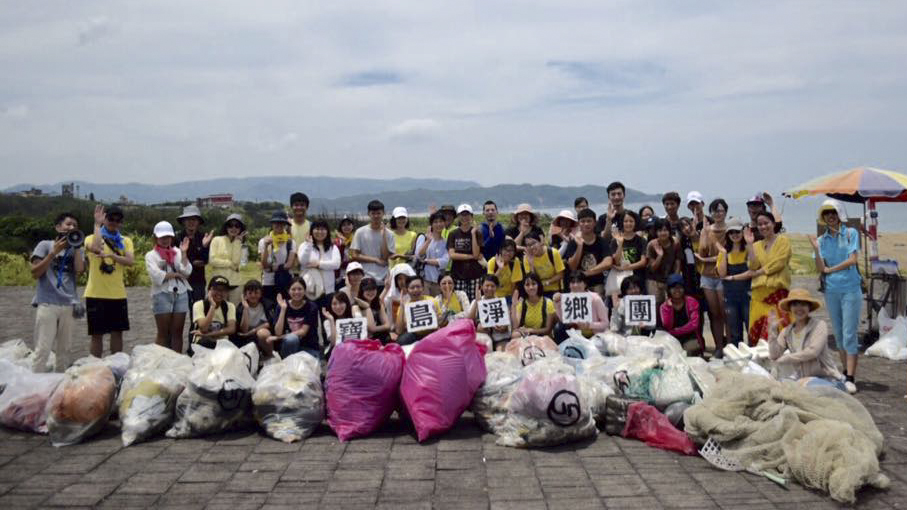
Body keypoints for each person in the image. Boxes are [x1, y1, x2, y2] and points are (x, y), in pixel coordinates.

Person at [809, 199, 862, 393]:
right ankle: (844, 372)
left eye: (833, 212)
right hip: (832, 290)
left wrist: (831, 269)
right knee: (839, 334)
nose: (830, 216)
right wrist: (816, 249)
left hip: (850, 288)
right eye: (827, 213)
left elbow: (853, 259)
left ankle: (850, 377)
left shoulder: (850, 233)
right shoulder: (822, 240)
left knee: (849, 333)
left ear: (840, 214)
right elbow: (820, 268)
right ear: (823, 217)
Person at [30, 212, 85, 372]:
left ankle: (58, 386)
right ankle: (35, 386)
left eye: (75, 225)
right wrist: (53, 253)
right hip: (47, 303)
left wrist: (75, 247)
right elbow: (35, 272)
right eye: (68, 224)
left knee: (64, 350)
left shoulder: (77, 249)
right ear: (58, 227)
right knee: (43, 348)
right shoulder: (45, 245)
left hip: (69, 304)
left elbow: (80, 270)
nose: (72, 227)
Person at [768, 288, 847, 392]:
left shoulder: (819, 325)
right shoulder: (787, 331)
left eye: (803, 304)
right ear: (790, 308)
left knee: (805, 389)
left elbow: (812, 352)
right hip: (803, 379)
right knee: (777, 387)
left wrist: (787, 358)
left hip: (826, 378)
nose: (799, 308)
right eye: (795, 305)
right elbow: (774, 355)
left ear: (809, 307)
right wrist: (772, 332)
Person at [84, 205, 134, 357]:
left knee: (117, 333)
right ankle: (95, 366)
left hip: (117, 294)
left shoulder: (125, 241)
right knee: (97, 334)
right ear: (105, 219)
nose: (114, 222)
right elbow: (96, 247)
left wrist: (113, 257)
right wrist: (97, 225)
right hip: (96, 294)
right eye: (110, 219)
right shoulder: (91, 237)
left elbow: (130, 261)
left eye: (118, 220)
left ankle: (116, 365)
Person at [145, 221, 192, 353]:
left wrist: (184, 254)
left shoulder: (177, 251)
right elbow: (155, 275)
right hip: (161, 293)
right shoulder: (151, 255)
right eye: (162, 237)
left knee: (178, 332)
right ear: (155, 237)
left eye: (168, 237)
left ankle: (176, 361)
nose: (165, 240)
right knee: (163, 333)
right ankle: (159, 360)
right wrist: (175, 274)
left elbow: (187, 271)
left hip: (181, 293)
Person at [746, 211, 792, 345]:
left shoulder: (783, 241)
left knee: (779, 333)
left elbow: (779, 262)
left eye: (766, 223)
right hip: (759, 296)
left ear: (773, 224)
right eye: (760, 224)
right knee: (757, 334)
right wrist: (749, 244)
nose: (763, 226)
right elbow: (752, 265)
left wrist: (761, 272)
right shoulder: (756, 245)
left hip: (777, 295)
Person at [260, 276, 320, 359]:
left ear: (305, 291)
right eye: (293, 289)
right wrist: (283, 309)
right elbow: (278, 332)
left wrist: (277, 338)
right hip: (289, 347)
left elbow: (303, 332)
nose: (297, 292)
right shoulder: (281, 306)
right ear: (288, 291)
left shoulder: (311, 307)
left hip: (308, 347)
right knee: (291, 339)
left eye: (300, 289)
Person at [698, 199, 729, 356]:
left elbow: (727, 254)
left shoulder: (730, 230)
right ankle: (718, 347)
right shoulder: (707, 230)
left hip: (723, 276)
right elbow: (702, 252)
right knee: (714, 314)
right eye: (715, 211)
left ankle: (729, 346)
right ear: (711, 213)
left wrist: (707, 260)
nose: (718, 213)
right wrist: (704, 234)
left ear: (725, 212)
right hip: (707, 276)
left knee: (725, 313)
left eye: (721, 210)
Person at [718, 217, 752, 347]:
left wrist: (733, 277)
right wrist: (723, 254)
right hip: (731, 297)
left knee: (751, 329)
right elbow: (722, 274)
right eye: (731, 232)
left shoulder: (749, 250)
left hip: (747, 295)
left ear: (742, 232)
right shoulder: (725, 252)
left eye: (737, 232)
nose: (735, 235)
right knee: (734, 332)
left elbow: (752, 271)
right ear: (727, 235)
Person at [563, 208, 612, 296]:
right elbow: (572, 266)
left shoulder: (601, 241)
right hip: (577, 284)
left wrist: (587, 273)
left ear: (595, 223)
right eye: (583, 221)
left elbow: (608, 262)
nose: (586, 224)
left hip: (597, 283)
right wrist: (579, 246)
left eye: (589, 221)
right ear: (579, 224)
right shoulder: (573, 243)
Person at [607, 210, 648, 307]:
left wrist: (625, 268)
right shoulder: (615, 241)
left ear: (635, 223)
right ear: (622, 223)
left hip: (637, 282)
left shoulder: (641, 240)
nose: (628, 224)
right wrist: (620, 243)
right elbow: (616, 261)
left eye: (631, 221)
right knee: (619, 308)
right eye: (625, 221)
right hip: (619, 282)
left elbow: (643, 262)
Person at [553, 271, 609, 342]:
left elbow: (605, 323)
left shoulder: (595, 299)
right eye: (573, 282)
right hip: (575, 334)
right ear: (569, 285)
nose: (575, 285)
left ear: (585, 284)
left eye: (579, 282)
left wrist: (589, 325)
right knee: (558, 327)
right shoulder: (567, 298)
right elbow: (563, 320)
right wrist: (557, 303)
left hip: (594, 336)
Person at [350, 200, 395, 287]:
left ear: (383, 213)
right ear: (368, 214)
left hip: (384, 276)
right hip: (365, 276)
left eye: (378, 213)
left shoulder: (390, 234)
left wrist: (384, 235)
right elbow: (354, 254)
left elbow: (385, 257)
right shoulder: (360, 232)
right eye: (373, 213)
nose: (376, 216)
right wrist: (375, 259)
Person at [298, 219, 341, 309]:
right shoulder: (304, 245)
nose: (320, 232)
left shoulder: (332, 247)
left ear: (327, 231)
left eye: (323, 229)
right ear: (312, 231)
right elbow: (303, 261)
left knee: (326, 317)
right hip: (310, 290)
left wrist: (318, 264)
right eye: (317, 229)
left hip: (328, 291)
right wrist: (309, 244)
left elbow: (336, 264)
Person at [175, 205, 212, 308]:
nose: (191, 222)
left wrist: (204, 247)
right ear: (183, 221)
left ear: (198, 222)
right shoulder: (177, 238)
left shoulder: (203, 237)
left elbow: (205, 260)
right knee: (180, 309)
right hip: (181, 279)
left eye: (194, 219)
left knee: (198, 308)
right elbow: (176, 259)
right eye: (188, 219)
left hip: (198, 280)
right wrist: (192, 262)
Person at [447, 204, 485, 301]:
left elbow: (477, 254)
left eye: (467, 215)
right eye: (462, 215)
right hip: (458, 274)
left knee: (475, 301)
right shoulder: (453, 234)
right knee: (460, 302)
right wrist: (471, 256)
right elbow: (452, 255)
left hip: (475, 274)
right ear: (458, 217)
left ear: (472, 216)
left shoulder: (478, 233)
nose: (465, 218)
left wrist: (473, 234)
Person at [659, 274, 704, 355]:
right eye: (673, 288)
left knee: (690, 350)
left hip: (689, 336)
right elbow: (667, 325)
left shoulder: (692, 302)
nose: (677, 290)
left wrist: (676, 331)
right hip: (672, 338)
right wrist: (669, 308)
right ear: (669, 290)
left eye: (680, 287)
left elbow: (694, 324)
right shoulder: (664, 306)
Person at [259, 210, 297, 301]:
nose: (279, 225)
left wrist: (272, 268)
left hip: (285, 281)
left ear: (285, 225)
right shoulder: (263, 241)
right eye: (276, 223)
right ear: (272, 224)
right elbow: (264, 265)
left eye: (282, 223)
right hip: (268, 281)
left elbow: (289, 264)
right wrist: (266, 246)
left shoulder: (291, 242)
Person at [190, 276, 237, 349]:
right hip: (202, 343)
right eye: (216, 289)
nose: (219, 293)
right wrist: (212, 306)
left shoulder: (230, 306)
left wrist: (209, 334)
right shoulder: (198, 305)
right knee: (205, 343)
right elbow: (204, 328)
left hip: (222, 343)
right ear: (209, 290)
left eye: (223, 290)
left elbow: (231, 328)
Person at [209, 213, 247, 304]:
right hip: (219, 284)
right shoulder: (216, 240)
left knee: (235, 313)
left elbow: (241, 266)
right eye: (230, 225)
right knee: (218, 313)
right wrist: (230, 264)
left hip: (236, 285)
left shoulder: (244, 247)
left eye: (237, 226)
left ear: (241, 229)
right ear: (226, 227)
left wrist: (237, 243)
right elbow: (212, 261)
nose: (233, 228)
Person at [395, 275, 443, 345]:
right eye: (412, 287)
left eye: (418, 287)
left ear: (423, 288)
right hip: (413, 335)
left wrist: (437, 319)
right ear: (407, 290)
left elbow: (441, 322)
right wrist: (402, 306)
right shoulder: (404, 306)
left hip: (431, 332)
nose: (415, 290)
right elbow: (398, 331)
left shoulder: (432, 301)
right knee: (401, 340)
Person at [469, 274, 511, 350]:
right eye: (487, 286)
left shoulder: (501, 303)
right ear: (481, 287)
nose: (489, 288)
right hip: (483, 336)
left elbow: (506, 326)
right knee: (480, 327)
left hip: (499, 336)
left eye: (492, 286)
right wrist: (477, 302)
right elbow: (469, 320)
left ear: (496, 288)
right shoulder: (476, 301)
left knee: (500, 354)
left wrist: (503, 327)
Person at [231, 280, 276, 348]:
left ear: (261, 294)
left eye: (256, 293)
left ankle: (269, 355)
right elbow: (244, 330)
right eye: (250, 293)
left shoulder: (268, 305)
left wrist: (252, 331)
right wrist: (246, 308)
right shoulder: (240, 308)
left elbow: (269, 323)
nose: (253, 295)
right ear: (245, 294)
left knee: (263, 333)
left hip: (261, 334)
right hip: (245, 337)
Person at [510, 272, 556, 338]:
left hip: (542, 336)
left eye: (534, 284)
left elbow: (547, 329)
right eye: (527, 285)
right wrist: (514, 306)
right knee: (515, 335)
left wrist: (531, 330)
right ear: (524, 287)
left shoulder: (548, 303)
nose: (531, 287)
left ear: (538, 285)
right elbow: (515, 326)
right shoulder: (521, 303)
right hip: (526, 336)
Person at [645, 218, 680, 306]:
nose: (663, 233)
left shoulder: (675, 243)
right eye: (660, 230)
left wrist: (675, 280)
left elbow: (678, 263)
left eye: (665, 230)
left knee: (672, 305)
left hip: (670, 279)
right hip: (654, 280)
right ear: (656, 232)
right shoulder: (652, 245)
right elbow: (652, 268)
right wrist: (660, 256)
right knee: (656, 306)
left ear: (669, 231)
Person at [415, 211, 450, 296]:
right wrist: (428, 241)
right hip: (424, 280)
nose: (439, 224)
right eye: (435, 222)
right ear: (431, 224)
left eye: (441, 221)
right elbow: (418, 255)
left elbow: (444, 262)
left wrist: (426, 261)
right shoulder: (423, 238)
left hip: (438, 281)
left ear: (445, 223)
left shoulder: (446, 242)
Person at [522, 231, 566, 297]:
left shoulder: (553, 253)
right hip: (537, 291)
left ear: (540, 242)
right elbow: (531, 280)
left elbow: (560, 274)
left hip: (555, 290)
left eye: (533, 243)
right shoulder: (526, 258)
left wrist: (546, 283)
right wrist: (531, 264)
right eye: (528, 245)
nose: (531, 247)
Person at [355, 277, 393, 344]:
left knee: (387, 338)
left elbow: (387, 325)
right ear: (362, 291)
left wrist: (375, 329)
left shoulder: (378, 303)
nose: (371, 292)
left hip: (378, 336)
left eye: (373, 289)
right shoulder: (355, 307)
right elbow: (371, 328)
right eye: (367, 289)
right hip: (363, 339)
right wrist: (367, 307)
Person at [333, 216, 356, 286]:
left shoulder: (356, 239)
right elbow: (338, 260)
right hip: (340, 276)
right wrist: (342, 245)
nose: (346, 227)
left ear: (352, 226)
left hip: (354, 274)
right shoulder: (336, 242)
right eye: (344, 225)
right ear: (340, 227)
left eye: (348, 224)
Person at [289, 192, 311, 256]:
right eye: (296, 205)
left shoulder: (311, 226)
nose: (299, 207)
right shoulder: (286, 226)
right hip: (289, 263)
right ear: (291, 207)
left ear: (307, 207)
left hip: (307, 262)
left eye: (302, 205)